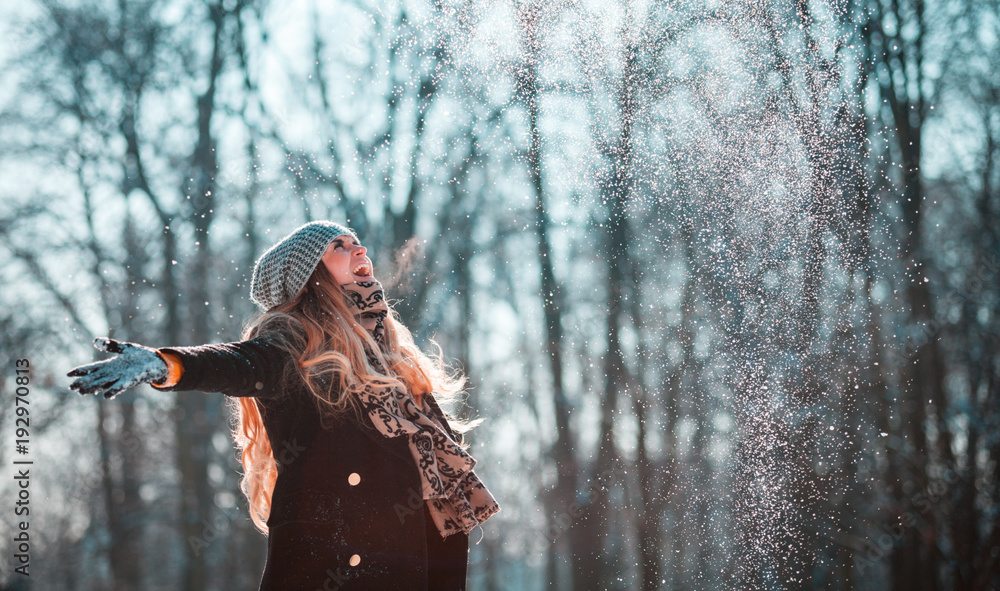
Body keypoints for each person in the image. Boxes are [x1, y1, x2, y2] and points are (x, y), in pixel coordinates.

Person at [67, 220, 499, 591]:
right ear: (309, 275)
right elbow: (238, 362)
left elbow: (441, 498)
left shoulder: (396, 363)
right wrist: (167, 365)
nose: (359, 248)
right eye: (338, 246)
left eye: (356, 241)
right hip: (328, 561)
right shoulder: (295, 343)